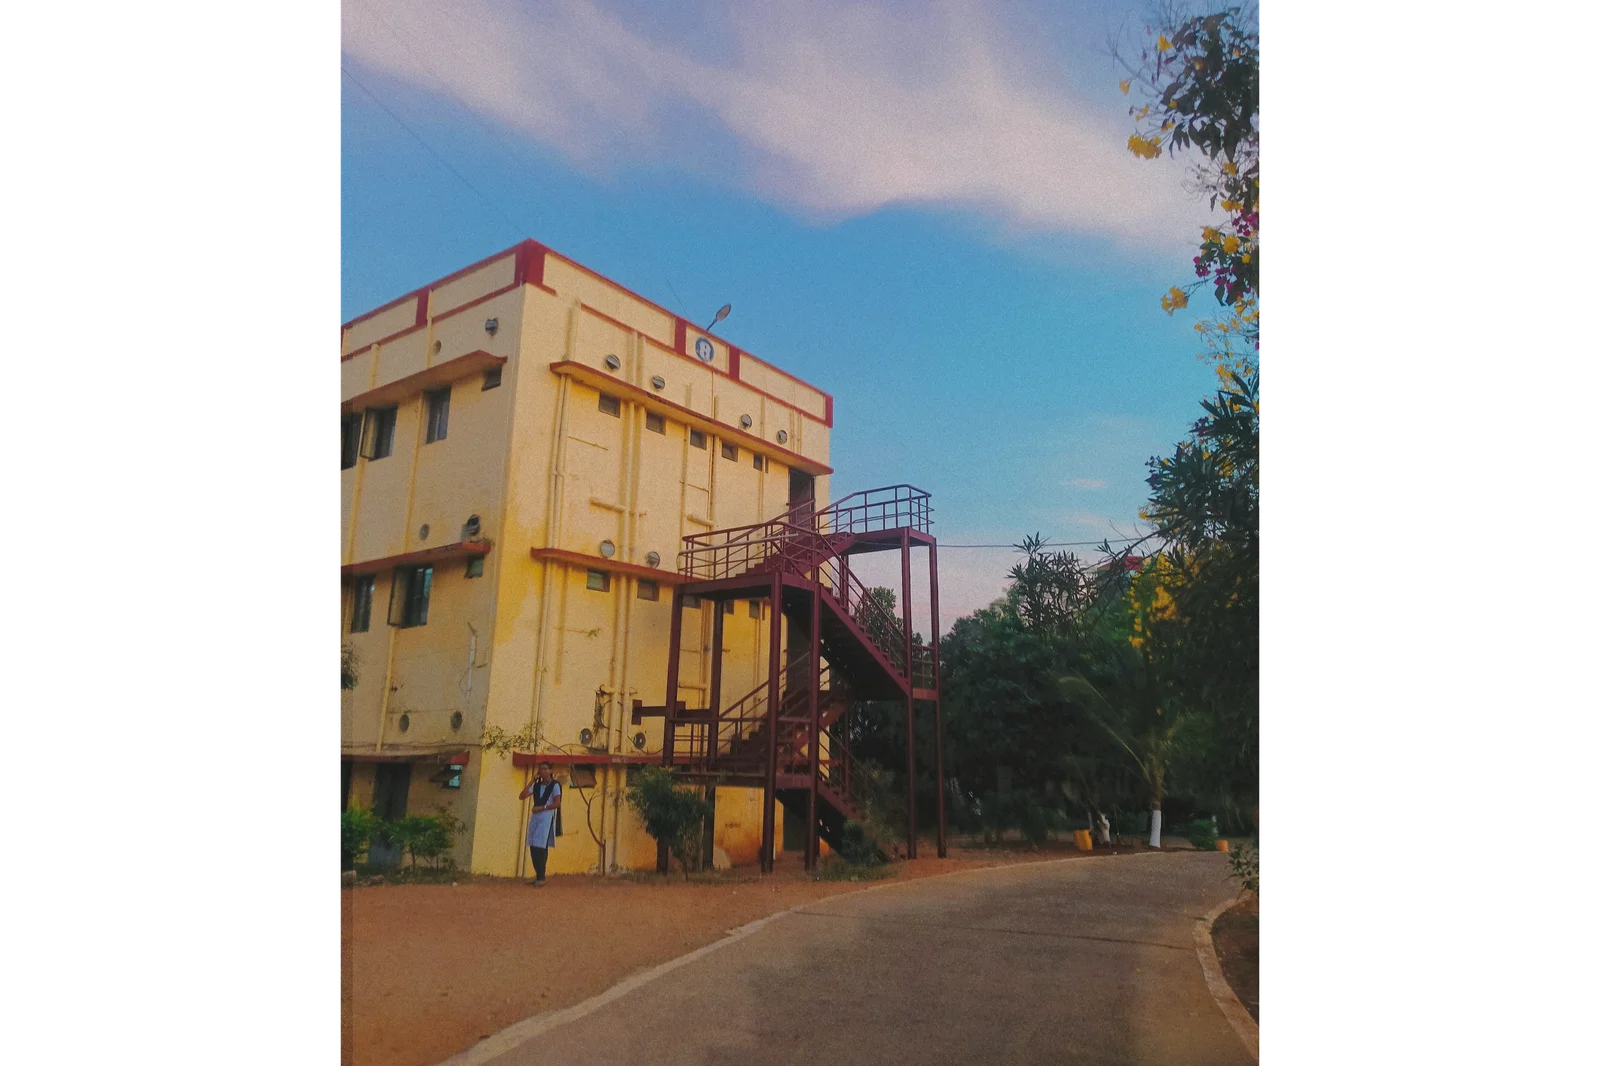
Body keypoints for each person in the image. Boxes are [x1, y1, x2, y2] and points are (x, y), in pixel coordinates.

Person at [518, 761, 562, 886]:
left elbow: (557, 803)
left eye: (545, 769)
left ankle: (541, 877)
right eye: (541, 769)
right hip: (536, 816)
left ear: (550, 771)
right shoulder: (537, 786)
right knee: (533, 844)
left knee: (541, 846)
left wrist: (542, 807)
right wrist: (532, 780)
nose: (543, 771)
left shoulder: (554, 785)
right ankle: (538, 875)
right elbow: (522, 796)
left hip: (546, 816)